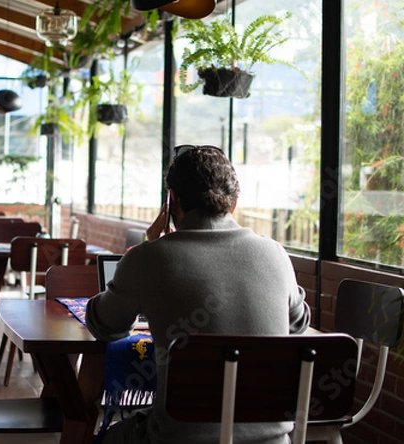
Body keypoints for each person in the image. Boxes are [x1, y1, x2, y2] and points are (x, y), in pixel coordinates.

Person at [86, 144, 311, 444]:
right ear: (234, 202)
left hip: (179, 437)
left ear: (172, 199)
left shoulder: (148, 258)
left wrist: (147, 246)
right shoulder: (275, 254)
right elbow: (298, 324)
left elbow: (104, 325)